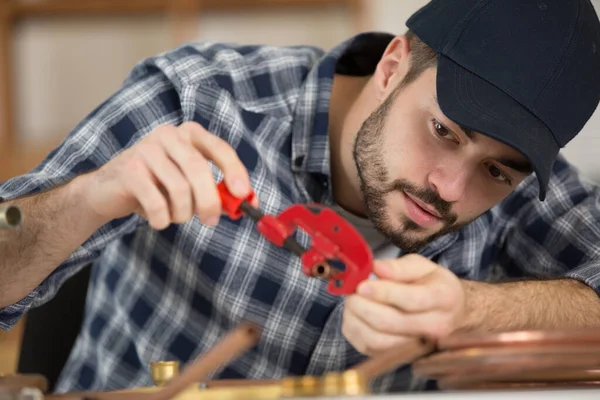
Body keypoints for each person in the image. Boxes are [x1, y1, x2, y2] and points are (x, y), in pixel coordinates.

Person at [1, 0, 600, 394]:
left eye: (496, 172)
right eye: (443, 132)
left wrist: (475, 310)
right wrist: (88, 198)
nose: (449, 189)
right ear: (393, 66)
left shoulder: (522, 191)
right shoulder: (198, 101)